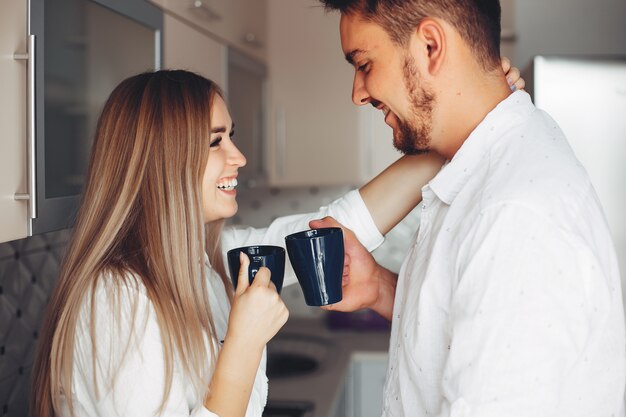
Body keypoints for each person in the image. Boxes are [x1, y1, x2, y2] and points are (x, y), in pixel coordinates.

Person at [29, 70, 446, 417]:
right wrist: (245, 341)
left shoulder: (206, 261)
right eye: (215, 142)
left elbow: (337, 225)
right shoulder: (118, 297)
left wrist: (457, 131)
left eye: (231, 136)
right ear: (161, 160)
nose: (239, 157)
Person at [311, 1, 626, 416]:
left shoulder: (513, 217)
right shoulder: (482, 167)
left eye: (364, 64)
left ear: (430, 46)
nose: (358, 94)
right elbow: (452, 321)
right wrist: (381, 288)